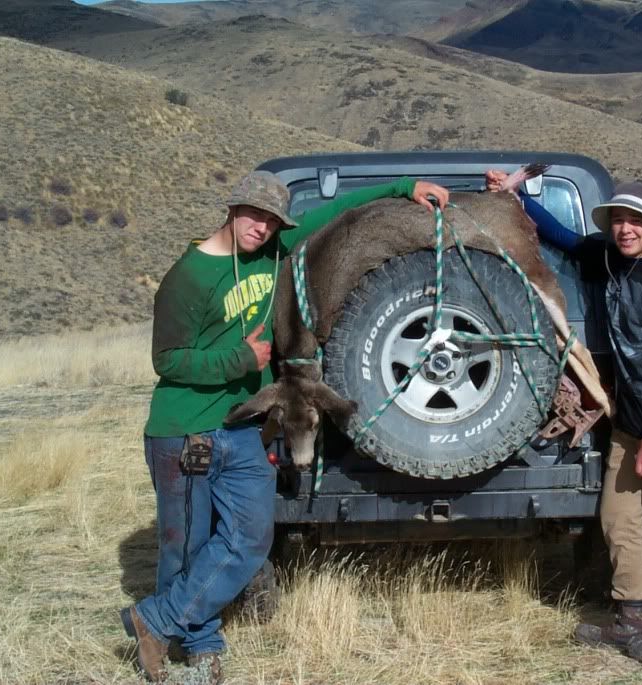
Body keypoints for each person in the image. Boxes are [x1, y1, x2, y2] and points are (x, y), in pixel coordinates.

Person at [123, 170, 450, 683]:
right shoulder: (187, 277)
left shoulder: (272, 250)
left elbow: (335, 214)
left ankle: (156, 620)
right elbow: (167, 361)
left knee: (250, 537)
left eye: (273, 220)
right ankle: (200, 642)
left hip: (241, 426)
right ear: (231, 210)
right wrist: (240, 359)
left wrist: (403, 189)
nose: (263, 226)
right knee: (184, 546)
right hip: (185, 429)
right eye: (254, 215)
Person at [486, 170, 642, 665]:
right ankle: (631, 615)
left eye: (637, 222)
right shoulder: (608, 258)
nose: (627, 229)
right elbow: (558, 236)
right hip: (629, 421)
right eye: (620, 220)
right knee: (618, 517)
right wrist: (516, 194)